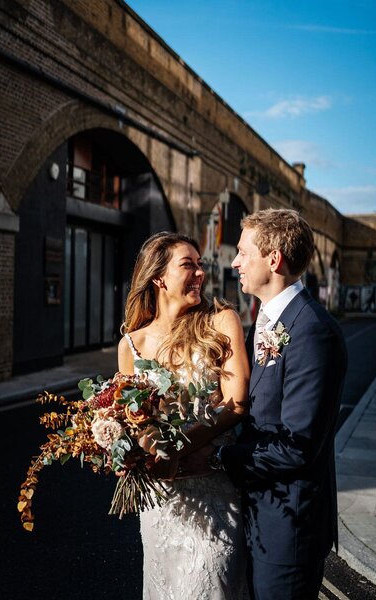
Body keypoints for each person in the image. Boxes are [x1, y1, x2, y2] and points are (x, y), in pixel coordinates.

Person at [213, 208, 347, 600]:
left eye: (242, 252)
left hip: (288, 531)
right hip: (256, 516)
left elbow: (296, 446)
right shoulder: (262, 325)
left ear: (273, 259)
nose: (235, 261)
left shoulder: (312, 331)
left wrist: (218, 458)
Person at [117, 231, 250, 600]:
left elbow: (237, 402)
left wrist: (178, 447)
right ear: (159, 277)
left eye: (200, 265)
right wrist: (130, 449)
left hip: (215, 496)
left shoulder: (221, 321)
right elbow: (134, 420)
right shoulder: (132, 344)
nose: (200, 274)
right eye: (188, 265)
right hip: (164, 504)